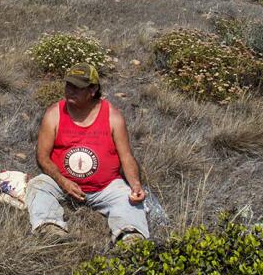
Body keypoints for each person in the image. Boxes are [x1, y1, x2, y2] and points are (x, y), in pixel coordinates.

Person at [26, 62, 167, 244]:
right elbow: (42, 157)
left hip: (105, 187)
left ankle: (130, 238)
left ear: (92, 90)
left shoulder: (113, 116)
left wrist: (136, 185)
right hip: (62, 184)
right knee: (37, 185)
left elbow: (127, 157)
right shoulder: (54, 114)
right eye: (68, 85)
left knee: (128, 199)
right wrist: (63, 181)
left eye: (77, 87)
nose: (70, 90)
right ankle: (50, 228)